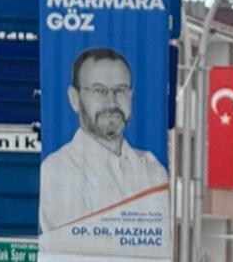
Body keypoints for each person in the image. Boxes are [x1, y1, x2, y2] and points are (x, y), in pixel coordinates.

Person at [39, 48, 168, 235]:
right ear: (74, 99)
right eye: (99, 90)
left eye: (120, 90)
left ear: (131, 95)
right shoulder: (58, 169)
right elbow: (73, 246)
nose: (111, 102)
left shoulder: (153, 169)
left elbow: (159, 242)